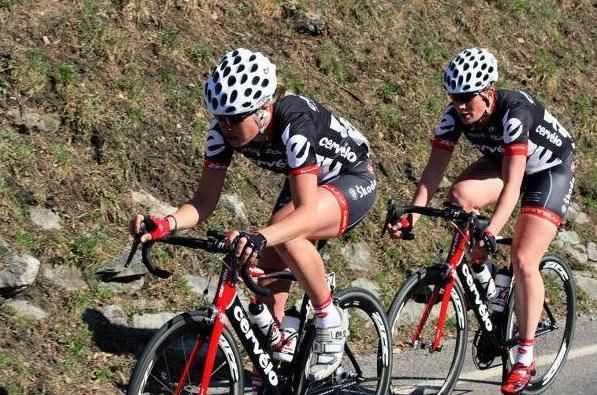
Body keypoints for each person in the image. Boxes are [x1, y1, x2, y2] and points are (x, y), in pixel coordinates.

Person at [129, 48, 377, 383]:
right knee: (264, 275)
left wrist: (260, 236)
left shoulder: (294, 123)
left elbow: (303, 215)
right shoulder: (220, 133)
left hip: (351, 179)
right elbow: (203, 202)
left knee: (284, 232)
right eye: (219, 117)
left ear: (262, 110)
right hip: (307, 181)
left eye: (233, 118)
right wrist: (166, 222)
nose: (224, 126)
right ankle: (277, 361)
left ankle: (329, 318)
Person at [387, 47, 575, 395]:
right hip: (504, 163)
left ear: (488, 94)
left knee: (523, 259)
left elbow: (515, 184)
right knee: (459, 198)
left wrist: (492, 230)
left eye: (467, 98)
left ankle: (525, 356)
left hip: (549, 171)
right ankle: (488, 279)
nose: (460, 105)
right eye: (455, 97)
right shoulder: (453, 116)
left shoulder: (514, 113)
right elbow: (433, 171)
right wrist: (412, 214)